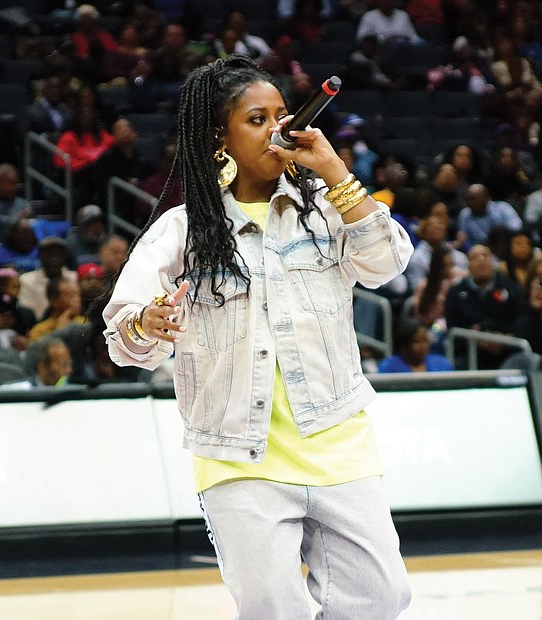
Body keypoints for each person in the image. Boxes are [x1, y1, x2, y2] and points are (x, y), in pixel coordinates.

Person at [101, 54, 412, 619]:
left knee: (382, 597)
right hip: (235, 454)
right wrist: (147, 323)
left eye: (283, 115)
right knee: (271, 608)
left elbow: (387, 262)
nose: (277, 128)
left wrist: (336, 174)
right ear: (220, 136)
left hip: (336, 438)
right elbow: (122, 340)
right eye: (257, 119)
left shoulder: (323, 211)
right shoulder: (183, 229)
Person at [19, 237, 77, 321]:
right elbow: (27, 314)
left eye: (58, 255)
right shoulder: (25, 280)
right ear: (40, 257)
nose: (54, 259)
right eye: (49, 255)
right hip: (38, 328)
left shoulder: (74, 278)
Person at [378, 317, 454, 373]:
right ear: (404, 345)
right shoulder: (388, 368)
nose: (423, 346)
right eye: (417, 342)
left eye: (425, 340)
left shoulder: (443, 364)